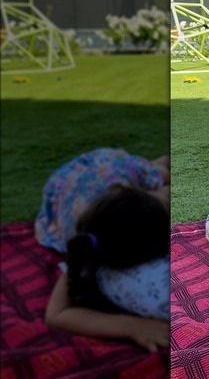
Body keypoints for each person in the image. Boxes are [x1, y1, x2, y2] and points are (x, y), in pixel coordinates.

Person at [37, 148, 171, 352]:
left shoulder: (104, 227)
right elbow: (56, 315)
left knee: (161, 175)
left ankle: (156, 164)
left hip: (113, 172)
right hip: (70, 182)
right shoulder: (85, 248)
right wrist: (134, 327)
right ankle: (158, 164)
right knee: (163, 181)